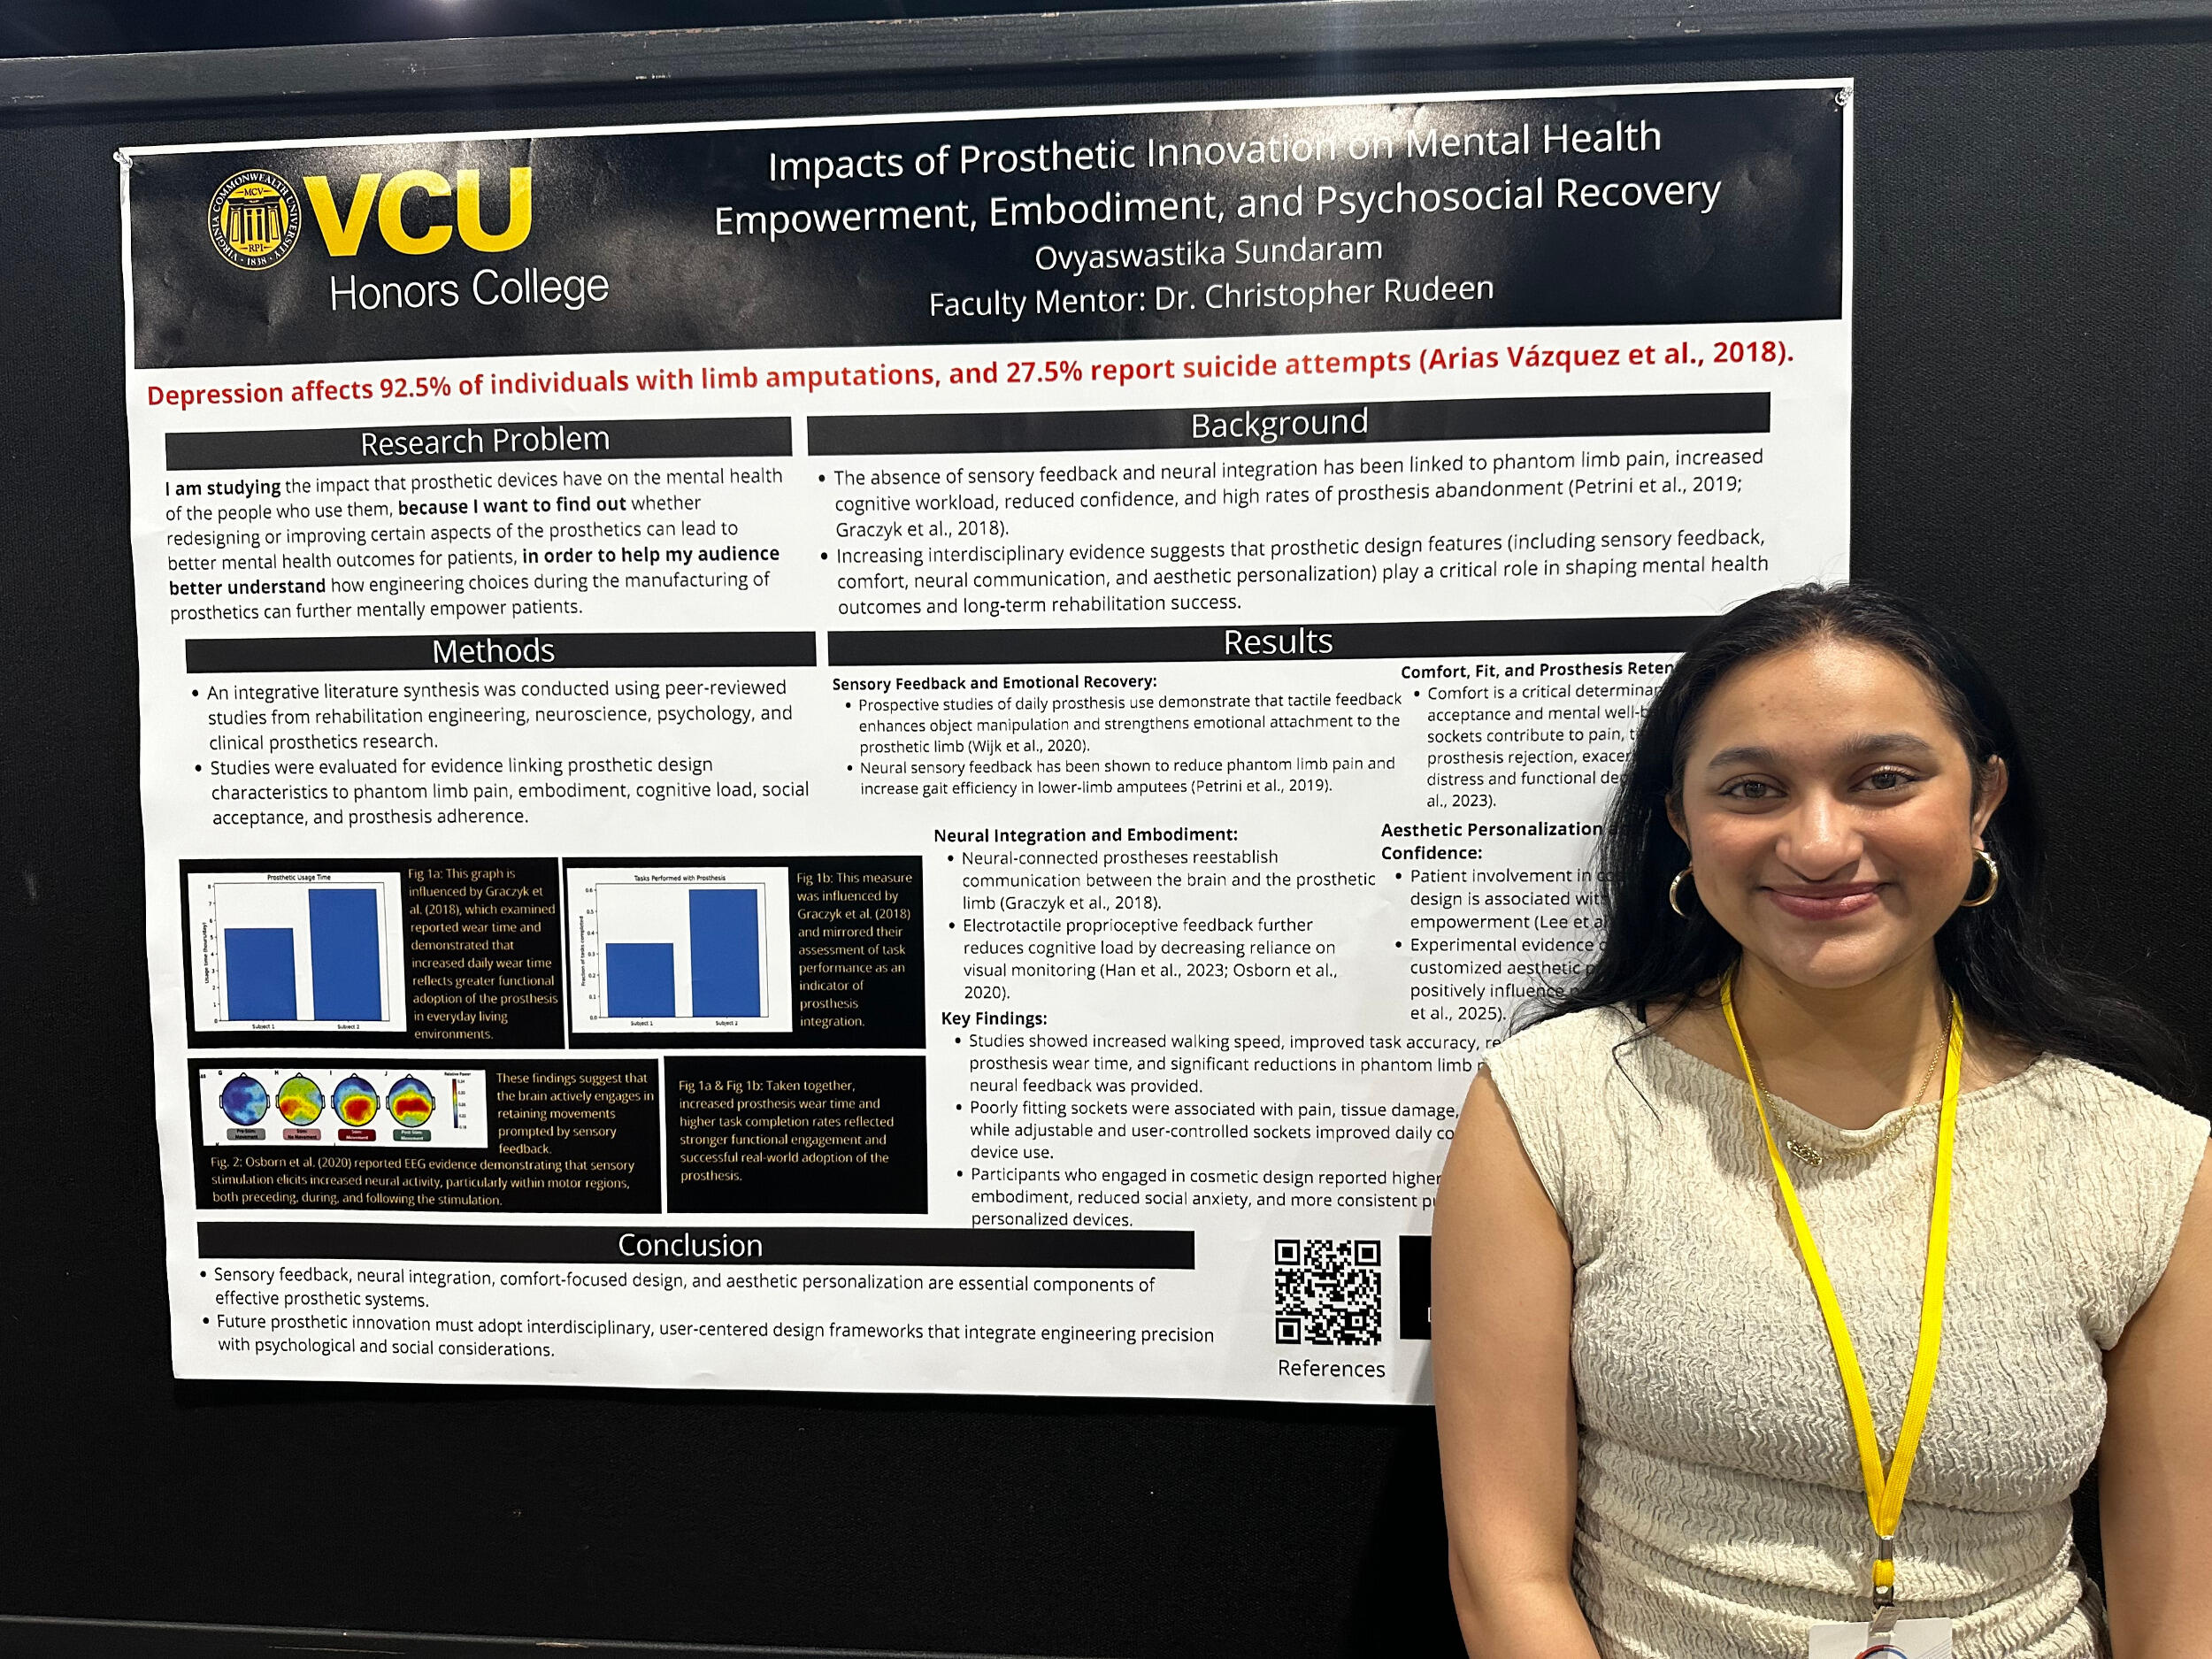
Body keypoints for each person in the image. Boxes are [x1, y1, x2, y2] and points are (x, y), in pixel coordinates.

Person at [1431, 584, 2210, 1659]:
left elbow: (2184, 1615)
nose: (1817, 841)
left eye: (1881, 780)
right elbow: (1504, 1576)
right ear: (1680, 822)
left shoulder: (2146, 1157)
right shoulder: (1553, 1106)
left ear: (1981, 798)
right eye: (1752, 788)